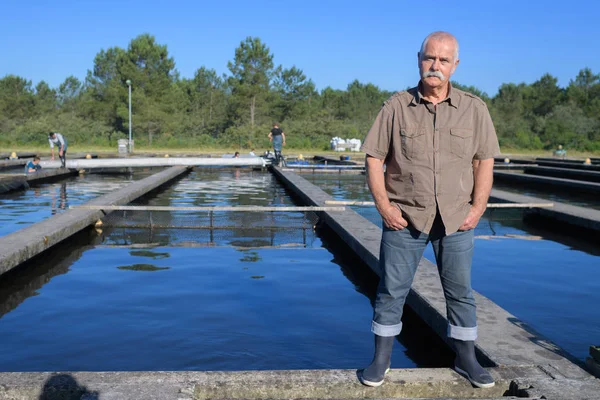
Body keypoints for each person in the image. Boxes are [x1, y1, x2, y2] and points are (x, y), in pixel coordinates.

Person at [359, 31, 500, 389]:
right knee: (391, 290)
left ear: (455, 65)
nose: (434, 66)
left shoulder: (475, 109)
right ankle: (381, 359)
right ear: (419, 59)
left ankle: (466, 358)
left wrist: (477, 208)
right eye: (429, 58)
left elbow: (484, 161)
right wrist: (384, 206)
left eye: (443, 60)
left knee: (460, 291)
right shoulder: (395, 107)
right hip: (404, 217)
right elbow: (374, 158)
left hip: (457, 218)